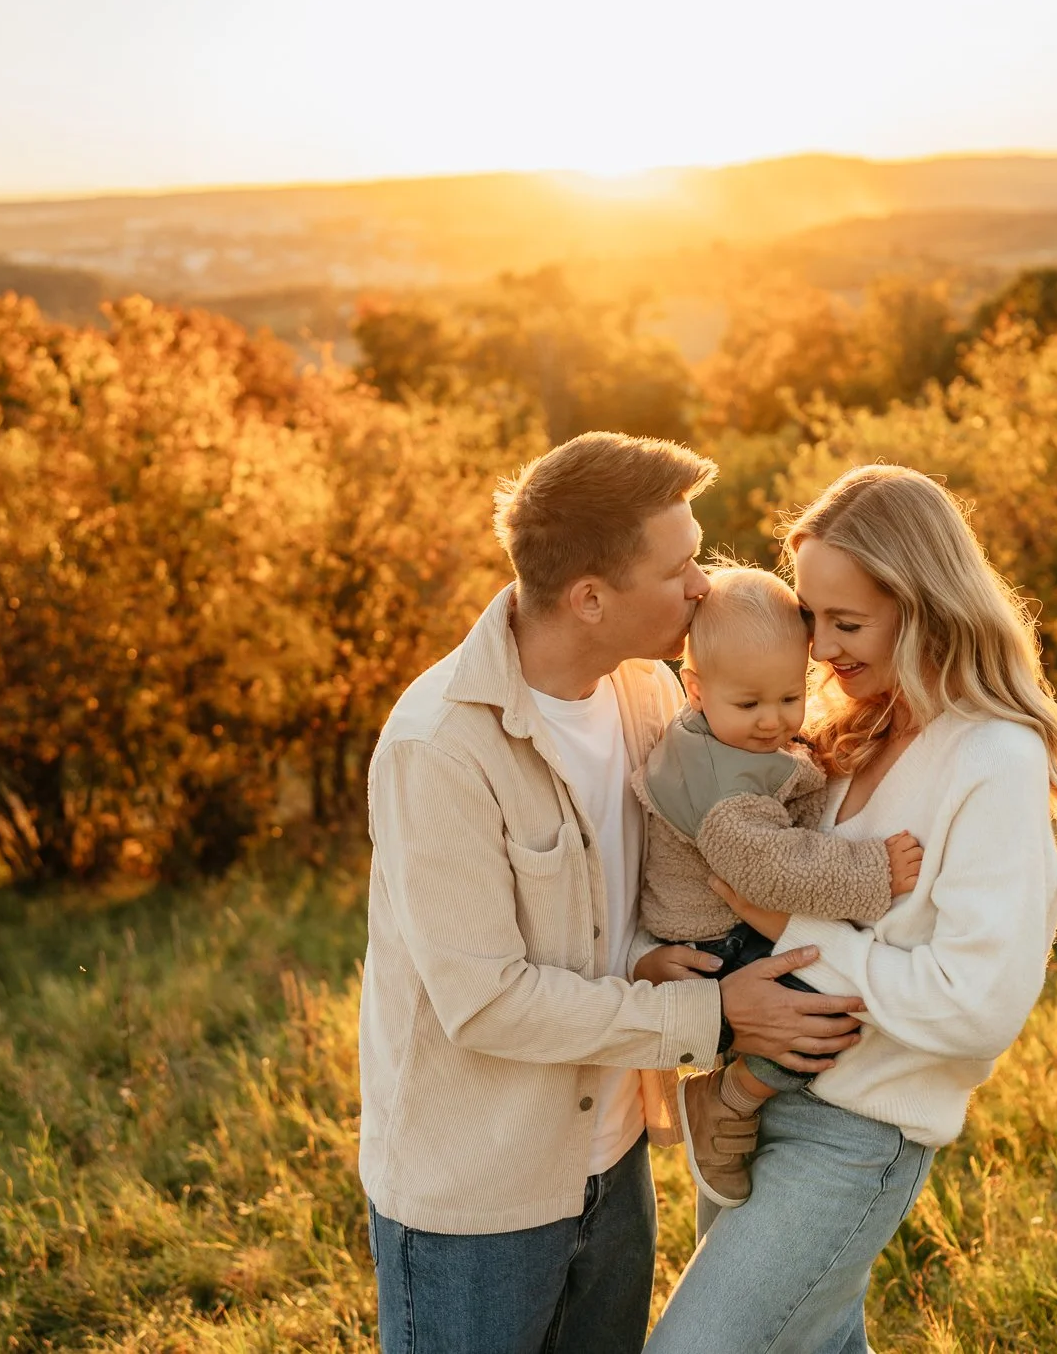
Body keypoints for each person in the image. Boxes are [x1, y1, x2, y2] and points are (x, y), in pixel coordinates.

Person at [357, 432, 869, 1354]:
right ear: (590, 597)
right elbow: (486, 1001)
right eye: (680, 568)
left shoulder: (648, 692)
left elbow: (637, 886)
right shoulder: (439, 747)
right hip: (480, 1198)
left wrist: (649, 954)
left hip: (617, 1161)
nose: (704, 586)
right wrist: (710, 1012)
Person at [644, 464, 1057, 1354]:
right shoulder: (848, 726)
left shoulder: (991, 758)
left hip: (853, 1129)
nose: (819, 651)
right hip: (750, 1094)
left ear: (924, 607)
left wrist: (790, 934)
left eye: (847, 623)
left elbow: (978, 1002)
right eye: (812, 619)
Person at [627, 564, 924, 1209]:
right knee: (823, 1005)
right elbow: (770, 868)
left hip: (722, 926)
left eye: (790, 698)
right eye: (750, 704)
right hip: (714, 940)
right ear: (695, 688)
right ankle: (731, 1095)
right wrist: (871, 873)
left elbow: (784, 769)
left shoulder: (728, 738)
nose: (772, 721)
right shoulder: (718, 788)